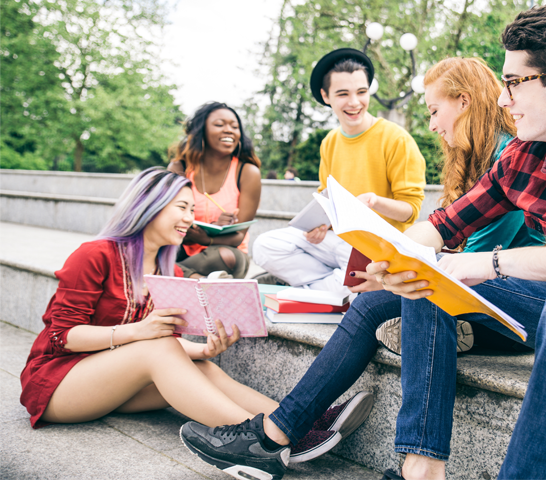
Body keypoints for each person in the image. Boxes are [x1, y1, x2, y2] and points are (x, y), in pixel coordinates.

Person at [181, 2, 546, 480]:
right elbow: (442, 227)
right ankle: (409, 465)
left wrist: (488, 265)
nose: (504, 98)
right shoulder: (531, 154)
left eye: (515, 82)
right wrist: (392, 258)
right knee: (428, 277)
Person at [19, 168, 372, 466]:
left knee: (202, 367)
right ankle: (265, 442)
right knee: (156, 348)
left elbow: (158, 346)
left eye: (192, 209)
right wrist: (139, 330)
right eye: (182, 207)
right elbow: (62, 336)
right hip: (57, 385)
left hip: (110, 380)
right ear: (150, 207)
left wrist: (204, 351)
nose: (191, 218)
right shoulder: (95, 254)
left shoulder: (164, 268)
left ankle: (297, 421)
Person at [375, 56, 546, 355]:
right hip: (492, 279)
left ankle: (464, 336)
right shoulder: (484, 160)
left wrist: (409, 263)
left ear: (463, 101)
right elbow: (446, 224)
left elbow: (479, 253)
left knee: (421, 281)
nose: (431, 125)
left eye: (434, 112)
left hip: (523, 291)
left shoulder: (515, 157)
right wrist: (394, 260)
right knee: (379, 302)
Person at [252, 48, 426, 298]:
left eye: (362, 92)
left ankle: (318, 290)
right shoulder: (330, 141)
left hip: (375, 247)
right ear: (326, 96)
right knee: (264, 246)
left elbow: (411, 210)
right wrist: (320, 224)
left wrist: (374, 202)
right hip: (337, 240)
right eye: (343, 94)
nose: (354, 102)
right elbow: (327, 196)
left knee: (357, 278)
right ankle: (331, 290)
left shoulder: (396, 139)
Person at [168, 102, 262, 279]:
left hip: (224, 254)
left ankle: (168, 273)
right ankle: (197, 279)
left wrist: (208, 238)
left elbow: (238, 237)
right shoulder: (179, 168)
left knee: (225, 256)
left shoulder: (247, 173)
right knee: (153, 248)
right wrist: (202, 230)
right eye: (219, 125)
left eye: (234, 127)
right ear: (201, 131)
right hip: (181, 248)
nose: (229, 130)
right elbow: (166, 224)